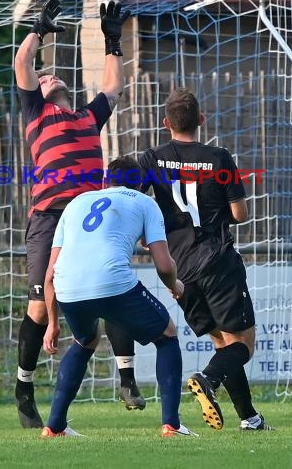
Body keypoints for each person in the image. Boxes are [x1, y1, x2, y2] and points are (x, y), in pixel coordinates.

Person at [14, 0, 145, 429]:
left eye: (50, 73)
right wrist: (38, 28)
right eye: (43, 75)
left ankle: (126, 376)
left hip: (89, 215)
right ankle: (24, 389)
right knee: (38, 307)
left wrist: (113, 42)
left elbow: (113, 87)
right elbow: (22, 65)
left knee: (111, 286)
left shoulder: (89, 117)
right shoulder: (35, 113)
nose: (46, 75)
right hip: (50, 217)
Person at [139, 89, 274, 431]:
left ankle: (250, 418)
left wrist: (147, 240)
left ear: (166, 122)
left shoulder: (151, 158)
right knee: (242, 344)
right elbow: (240, 213)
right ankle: (208, 379)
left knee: (221, 341)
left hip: (177, 267)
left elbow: (132, 204)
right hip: (216, 260)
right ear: (201, 120)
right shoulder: (219, 157)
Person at [41, 155, 197, 438]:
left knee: (85, 340)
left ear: (105, 182)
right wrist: (176, 285)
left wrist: (52, 322)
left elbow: (49, 274)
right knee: (167, 334)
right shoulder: (144, 202)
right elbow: (164, 264)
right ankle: (172, 425)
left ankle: (54, 427)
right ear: (140, 185)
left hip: (67, 287)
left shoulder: (76, 203)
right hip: (111, 282)